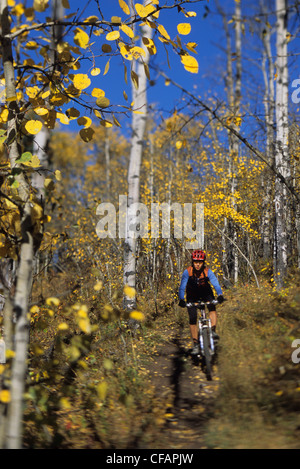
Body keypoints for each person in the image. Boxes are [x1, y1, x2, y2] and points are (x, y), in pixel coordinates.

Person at [178, 249, 224, 355]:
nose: (198, 265)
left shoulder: (208, 271)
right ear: (192, 262)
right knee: (192, 317)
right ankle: (195, 344)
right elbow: (182, 287)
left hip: (205, 292)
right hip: (192, 295)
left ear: (203, 262)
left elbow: (215, 284)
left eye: (200, 262)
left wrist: (220, 295)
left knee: (212, 306)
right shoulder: (187, 271)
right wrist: (181, 299)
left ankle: (212, 331)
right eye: (195, 262)